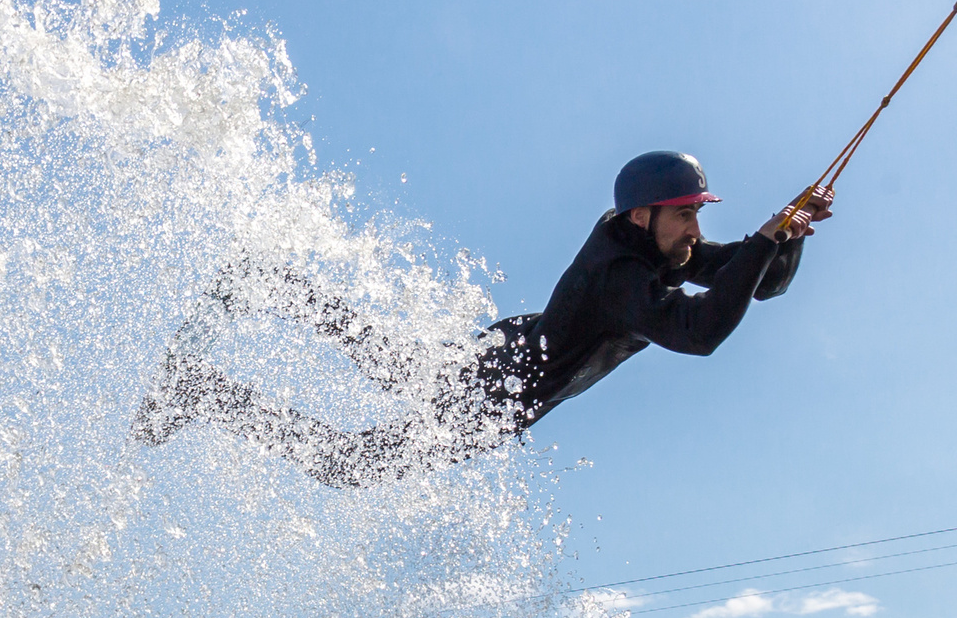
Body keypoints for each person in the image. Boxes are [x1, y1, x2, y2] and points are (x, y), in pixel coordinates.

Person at [129, 151, 833, 488]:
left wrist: (787, 238)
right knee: (351, 464)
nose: (693, 230)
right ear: (644, 214)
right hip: (497, 389)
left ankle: (273, 287)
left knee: (391, 365)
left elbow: (752, 282)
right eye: (686, 214)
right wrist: (767, 242)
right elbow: (700, 333)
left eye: (696, 216)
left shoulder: (653, 245)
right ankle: (205, 391)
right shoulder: (621, 277)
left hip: (509, 353)